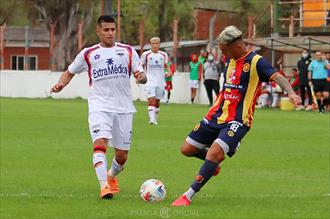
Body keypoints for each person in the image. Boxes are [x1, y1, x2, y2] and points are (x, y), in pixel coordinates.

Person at [171, 26, 300, 206]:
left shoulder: (256, 62)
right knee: (187, 149)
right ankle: (212, 163)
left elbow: (278, 76)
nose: (223, 53)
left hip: (238, 120)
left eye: (224, 49)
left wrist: (291, 93)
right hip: (216, 114)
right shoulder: (229, 59)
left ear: (237, 45)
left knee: (215, 151)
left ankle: (187, 195)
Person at [50, 15, 147, 199]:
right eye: (106, 30)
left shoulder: (127, 51)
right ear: (98, 31)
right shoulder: (88, 53)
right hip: (99, 106)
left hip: (124, 108)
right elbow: (69, 72)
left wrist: (141, 77)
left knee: (122, 156)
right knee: (100, 143)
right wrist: (60, 84)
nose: (110, 33)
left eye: (112, 29)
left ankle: (110, 175)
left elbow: (141, 73)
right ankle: (104, 187)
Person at [141, 37, 172, 125]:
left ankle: (155, 119)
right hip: (149, 81)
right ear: (150, 44)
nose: (154, 45)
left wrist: (169, 72)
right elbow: (141, 66)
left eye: (156, 43)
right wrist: (140, 76)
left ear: (159, 44)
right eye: (153, 43)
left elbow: (167, 66)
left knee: (157, 101)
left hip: (160, 81)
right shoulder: (146, 55)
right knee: (151, 100)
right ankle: (151, 120)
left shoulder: (163, 55)